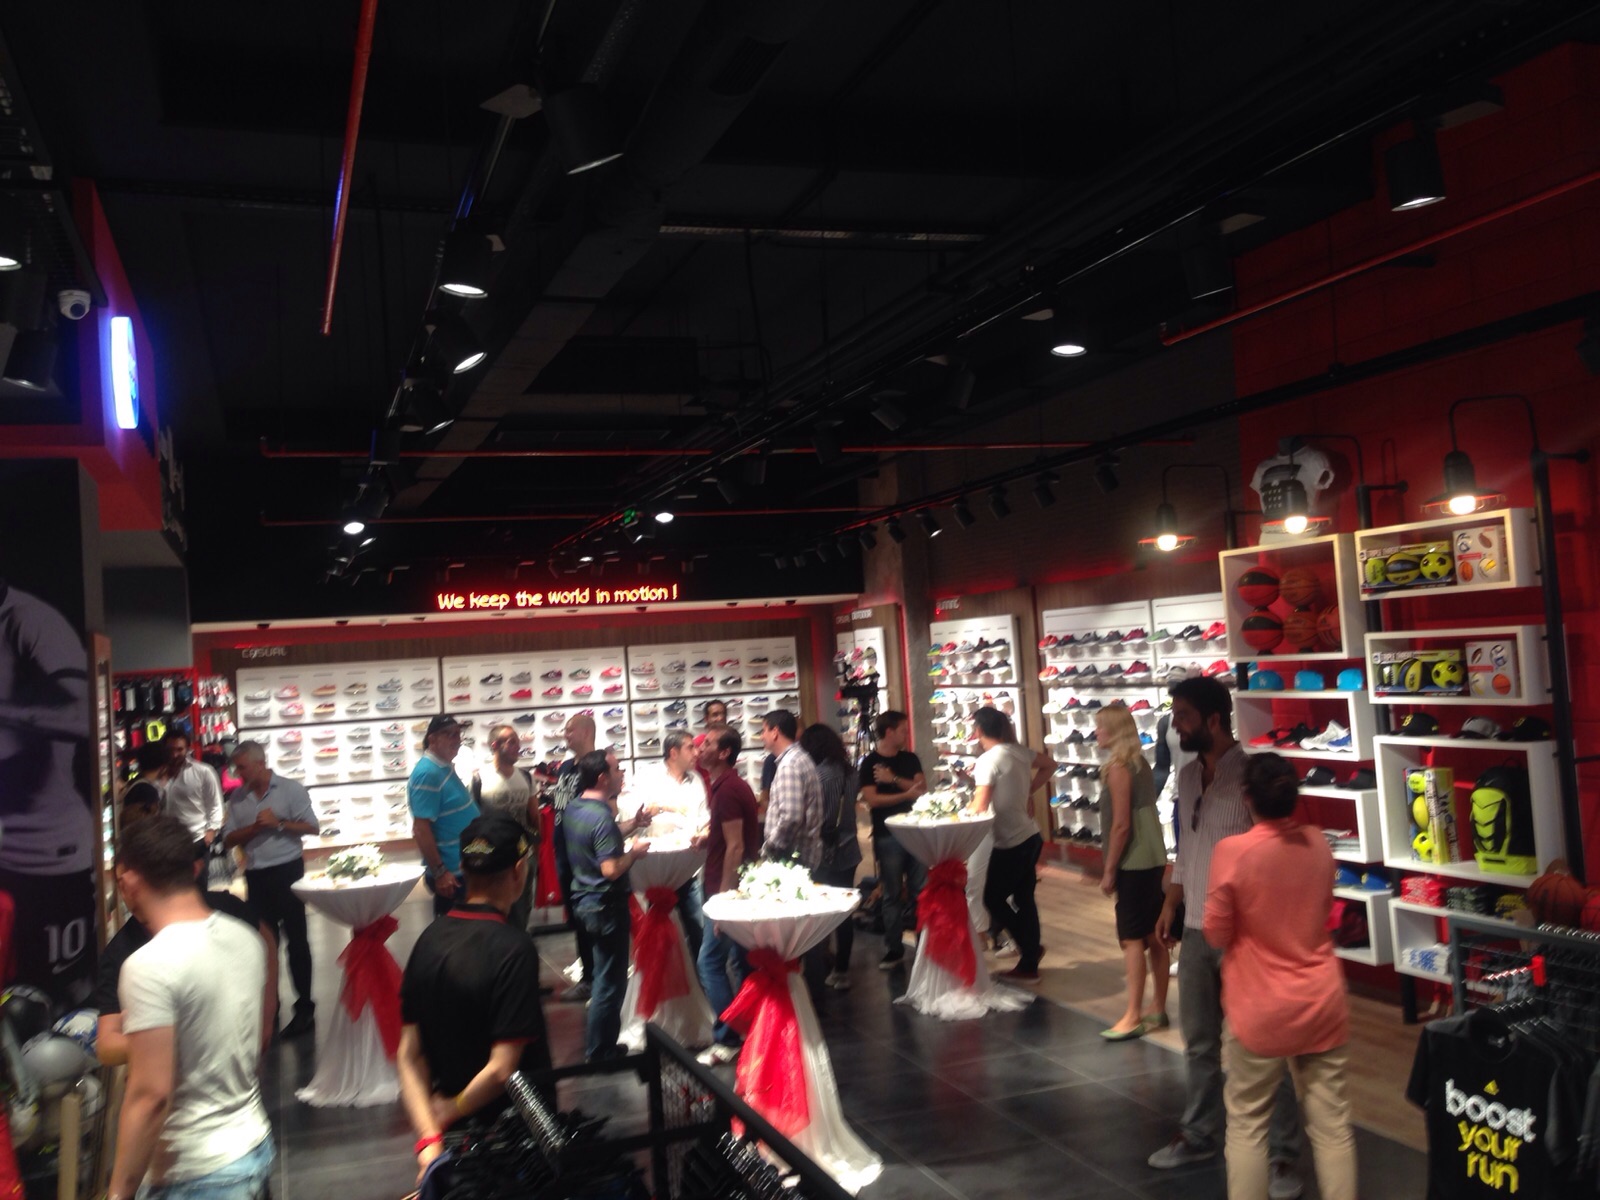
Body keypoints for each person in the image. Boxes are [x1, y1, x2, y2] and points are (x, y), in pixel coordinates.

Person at [1148, 676, 1302, 1198]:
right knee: (1199, 1043)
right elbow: (1189, 847)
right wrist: (1171, 903)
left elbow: (1277, 852)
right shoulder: (1189, 775)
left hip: (1246, 935)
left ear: (1214, 720)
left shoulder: (1252, 776)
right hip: (1196, 929)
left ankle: (1282, 1156)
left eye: (1184, 715)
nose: (1175, 725)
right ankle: (1198, 1134)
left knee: (1261, 1045)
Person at [1206, 753, 1355, 1200]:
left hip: (1259, 1007)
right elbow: (1322, 908)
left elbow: (1215, 933)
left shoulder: (1232, 852)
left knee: (1247, 1124)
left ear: (1246, 796)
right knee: (1333, 1127)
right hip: (1321, 999)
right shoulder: (1318, 843)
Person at [106, 815, 274, 1200]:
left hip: (196, 1173)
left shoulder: (148, 966)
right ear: (192, 869)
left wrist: (118, 1193)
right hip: (252, 1145)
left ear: (128, 880)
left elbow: (150, 1096)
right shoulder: (245, 939)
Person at [399, 814, 553, 1184]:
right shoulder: (514, 949)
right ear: (519, 871)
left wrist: (429, 1139)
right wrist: (451, 1109)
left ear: (464, 869)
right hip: (511, 1140)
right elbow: (503, 1068)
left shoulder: (429, 939)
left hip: (453, 1143)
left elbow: (409, 1055)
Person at [0, 577, 95, 1007]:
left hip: (49, 853)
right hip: (6, 851)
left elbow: (82, 714)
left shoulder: (30, 620)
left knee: (60, 990)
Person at [562, 748, 652, 1061]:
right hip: (605, 905)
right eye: (616, 769)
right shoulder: (601, 816)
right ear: (602, 778)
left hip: (584, 901)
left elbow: (601, 836)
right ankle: (601, 1051)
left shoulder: (577, 807)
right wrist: (634, 853)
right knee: (609, 982)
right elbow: (611, 868)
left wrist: (634, 823)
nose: (621, 773)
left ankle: (599, 1045)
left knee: (603, 976)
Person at [224, 740, 319, 1039]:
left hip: (288, 871)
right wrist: (254, 828)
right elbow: (228, 839)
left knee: (297, 942)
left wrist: (279, 824)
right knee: (264, 945)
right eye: (236, 768)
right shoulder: (237, 798)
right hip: (256, 877)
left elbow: (313, 827)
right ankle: (270, 1008)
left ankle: (305, 1009)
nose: (238, 774)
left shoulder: (290, 789)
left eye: (242, 767)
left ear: (259, 763)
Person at [1094, 703, 1170, 1038]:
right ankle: (1157, 1007)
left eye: (1100, 727)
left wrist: (1109, 869)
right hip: (1153, 855)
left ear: (1114, 731)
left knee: (1131, 938)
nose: (1096, 732)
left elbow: (1121, 824)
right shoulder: (1140, 763)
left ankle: (1133, 1015)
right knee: (1153, 935)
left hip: (1133, 861)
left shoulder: (1118, 768)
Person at [971, 707, 1053, 984]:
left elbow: (980, 806)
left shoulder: (987, 760)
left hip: (1013, 842)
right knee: (1023, 898)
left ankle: (1030, 951)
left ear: (978, 731)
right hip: (1030, 836)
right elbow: (1050, 764)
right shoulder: (1018, 752)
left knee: (993, 898)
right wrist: (1027, 790)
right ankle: (1030, 959)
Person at [695, 725, 760, 1066]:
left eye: (707, 743)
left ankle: (728, 1035)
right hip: (733, 885)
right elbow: (733, 839)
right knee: (741, 961)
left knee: (709, 962)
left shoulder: (729, 790)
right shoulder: (726, 787)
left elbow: (735, 847)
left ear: (723, 753)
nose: (699, 748)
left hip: (727, 890)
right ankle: (752, 1029)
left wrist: (722, 901)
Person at [857, 710, 926, 969]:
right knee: (891, 893)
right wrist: (905, 794)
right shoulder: (869, 763)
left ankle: (924, 947)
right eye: (902, 730)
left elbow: (922, 790)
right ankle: (894, 949)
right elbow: (872, 800)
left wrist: (893, 780)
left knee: (920, 892)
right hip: (887, 836)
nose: (906, 734)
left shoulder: (909, 758)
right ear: (889, 732)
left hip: (916, 834)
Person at [634, 730, 710, 958]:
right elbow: (641, 814)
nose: (696, 752)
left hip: (688, 865)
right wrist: (665, 808)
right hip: (659, 867)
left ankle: (698, 975)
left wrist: (705, 831)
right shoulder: (650, 778)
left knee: (697, 927)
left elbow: (703, 816)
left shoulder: (696, 780)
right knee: (658, 930)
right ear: (673, 752)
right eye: (690, 747)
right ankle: (660, 974)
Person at [799, 723, 861, 990]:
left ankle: (820, 964)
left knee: (820, 910)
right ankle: (842, 968)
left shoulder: (820, 775)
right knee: (844, 912)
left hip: (825, 851)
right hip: (849, 848)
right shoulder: (851, 772)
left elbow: (820, 818)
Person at [409, 715, 478, 918]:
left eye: (458, 734)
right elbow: (420, 829)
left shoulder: (442, 767)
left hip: (462, 867)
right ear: (432, 739)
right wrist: (440, 873)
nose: (457, 740)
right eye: (449, 735)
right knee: (456, 931)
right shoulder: (427, 774)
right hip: (452, 874)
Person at [471, 724, 538, 930]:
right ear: (494, 745)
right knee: (493, 904)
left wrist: (536, 847)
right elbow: (473, 819)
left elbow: (533, 815)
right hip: (493, 853)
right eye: (511, 742)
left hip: (522, 851)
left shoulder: (526, 777)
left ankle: (518, 938)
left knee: (522, 904)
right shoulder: (479, 778)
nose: (517, 746)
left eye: (518, 741)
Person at [552, 712, 598, 1001]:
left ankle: (597, 977)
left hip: (586, 853)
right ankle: (589, 975)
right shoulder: (566, 767)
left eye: (570, 730)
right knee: (576, 916)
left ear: (586, 732)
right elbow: (560, 805)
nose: (565, 735)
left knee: (591, 915)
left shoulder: (598, 764)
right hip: (564, 852)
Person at [758, 709, 822, 868]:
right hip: (800, 857)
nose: (761, 736)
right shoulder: (800, 758)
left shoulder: (789, 765)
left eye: (763, 731)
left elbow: (791, 817)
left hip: (792, 860)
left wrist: (770, 847)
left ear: (775, 732)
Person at [162, 731, 224, 856]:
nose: (174, 754)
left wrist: (211, 832)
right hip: (167, 842)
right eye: (170, 750)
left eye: (179, 749)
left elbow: (215, 804)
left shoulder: (203, 772)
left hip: (196, 840)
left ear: (187, 749)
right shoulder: (158, 775)